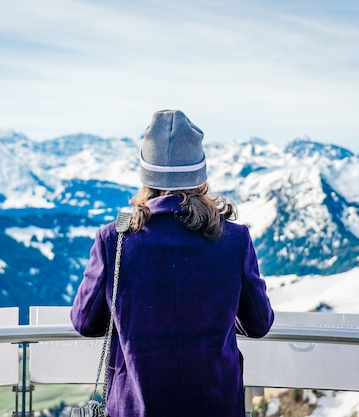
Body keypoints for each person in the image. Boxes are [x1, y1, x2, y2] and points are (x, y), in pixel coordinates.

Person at [70, 109, 274, 417]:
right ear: (200, 177)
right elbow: (258, 324)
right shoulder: (234, 239)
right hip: (216, 405)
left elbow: (85, 322)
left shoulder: (115, 239)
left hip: (135, 407)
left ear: (145, 176)